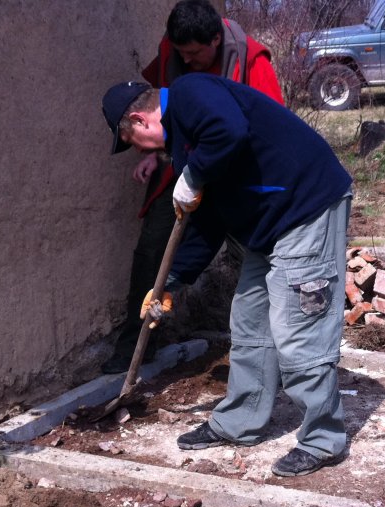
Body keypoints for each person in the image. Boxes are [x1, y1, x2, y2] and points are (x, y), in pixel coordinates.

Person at [101, 76, 353, 477]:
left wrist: (193, 175)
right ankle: (240, 422)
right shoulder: (186, 146)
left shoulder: (190, 94)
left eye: (132, 141)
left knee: (298, 328)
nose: (139, 150)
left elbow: (229, 131)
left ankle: (323, 440)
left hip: (305, 209)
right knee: (250, 322)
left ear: (139, 120)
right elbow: (207, 223)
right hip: (268, 228)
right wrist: (172, 281)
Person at [102, 0, 284, 374]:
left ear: (215, 40)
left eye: (195, 54)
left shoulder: (251, 60)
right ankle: (136, 345)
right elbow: (154, 108)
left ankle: (276, 347)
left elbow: (269, 127)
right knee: (152, 248)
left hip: (235, 174)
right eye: (181, 53)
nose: (188, 60)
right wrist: (155, 153)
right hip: (179, 166)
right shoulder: (173, 52)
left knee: (258, 253)